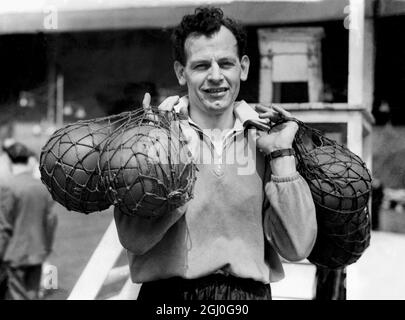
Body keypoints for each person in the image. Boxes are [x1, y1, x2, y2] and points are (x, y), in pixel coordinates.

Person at [113, 6, 317, 300]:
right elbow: (133, 238)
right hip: (170, 299)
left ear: (243, 67)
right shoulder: (153, 139)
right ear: (181, 72)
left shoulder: (268, 139)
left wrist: (282, 155)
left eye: (226, 63)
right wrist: (168, 162)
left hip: (248, 298)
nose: (215, 76)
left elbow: (297, 247)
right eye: (200, 66)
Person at [0, 142, 57, 300]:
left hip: (15, 254)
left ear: (10, 161)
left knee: (17, 295)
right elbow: (51, 221)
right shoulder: (43, 188)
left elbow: (4, 227)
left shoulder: (8, 187)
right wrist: (47, 247)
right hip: (38, 251)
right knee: (32, 295)